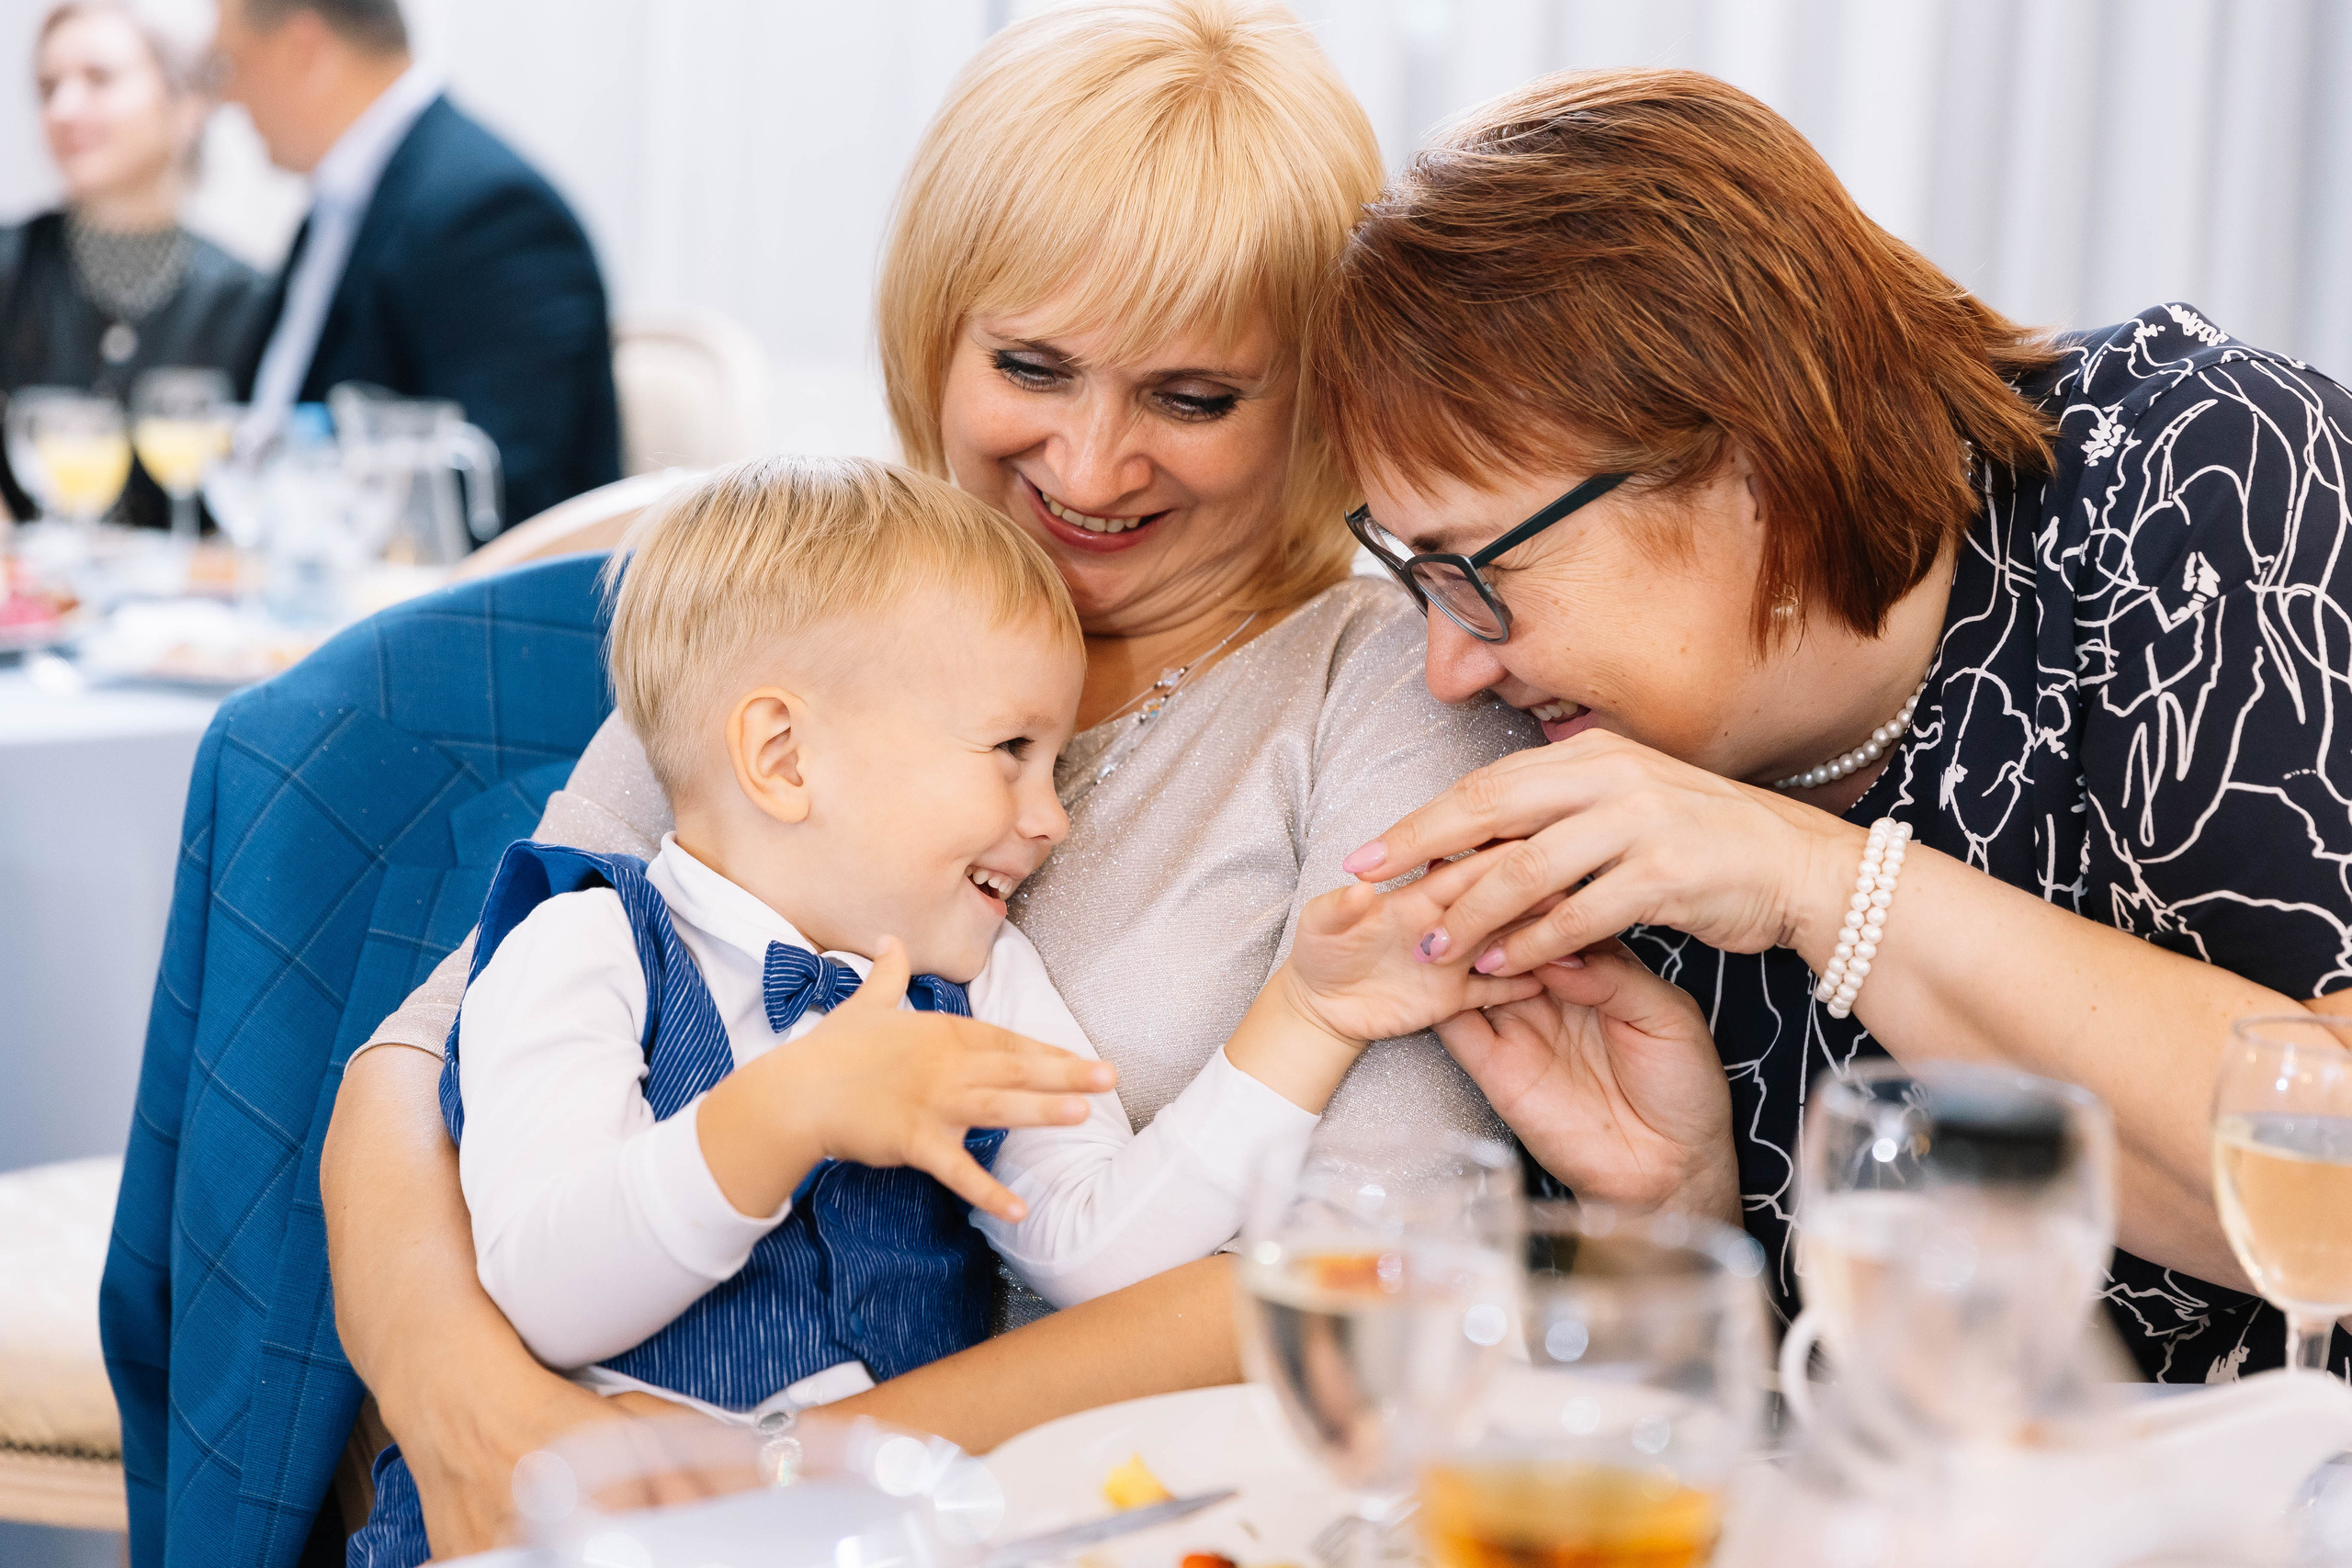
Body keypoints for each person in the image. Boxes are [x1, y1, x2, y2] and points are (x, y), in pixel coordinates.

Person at [317, 2, 1537, 1556]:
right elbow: (414, 1069)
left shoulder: (1392, 691)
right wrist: (490, 1425)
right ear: (933, 328)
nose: (1089, 470)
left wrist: (782, 1474)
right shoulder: (818, 614)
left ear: (1315, 396)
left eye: (1192, 396)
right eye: (1030, 364)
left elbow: (1373, 1269)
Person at [1307, 68, 2352, 1383]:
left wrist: (1820, 884)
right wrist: (1667, 1205)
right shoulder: (1587, 765)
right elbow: (1756, 1460)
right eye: (1414, 575)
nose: (1448, 664)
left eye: (1483, 573)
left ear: (1752, 465)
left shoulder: (2203, 487)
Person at [346, 453, 1533, 1567]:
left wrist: (1310, 1018)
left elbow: (1097, 1246)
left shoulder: (985, 975)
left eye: (1056, 760)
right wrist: (788, 1108)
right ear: (782, 755)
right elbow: (549, 1289)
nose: (1049, 816)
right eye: (1013, 751)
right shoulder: (580, 942)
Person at [212, 0, 619, 530]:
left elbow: (503, 498)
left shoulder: (490, 212)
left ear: (302, 50)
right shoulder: (340, 206)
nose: (228, 96)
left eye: (232, 64)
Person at [1, 0, 269, 526]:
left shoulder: (248, 298)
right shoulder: (10, 266)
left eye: (99, 79)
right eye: (48, 88)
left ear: (188, 100)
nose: (64, 109)